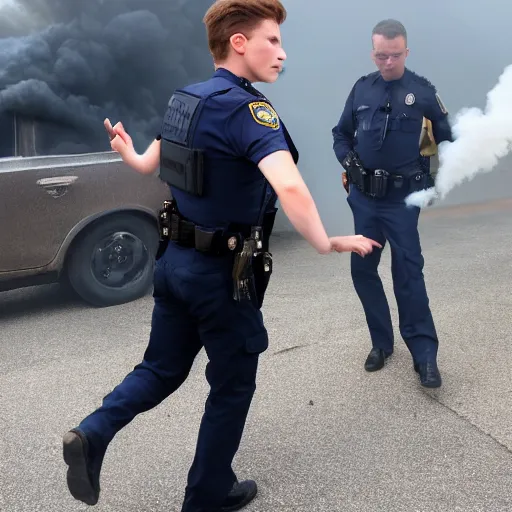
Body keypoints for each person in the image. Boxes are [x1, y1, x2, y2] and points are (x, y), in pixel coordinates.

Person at [62, 1, 381, 511]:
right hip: (219, 279)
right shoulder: (248, 111)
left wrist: (126, 150)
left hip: (173, 267)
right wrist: (327, 242)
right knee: (232, 384)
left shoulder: (187, 98)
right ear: (238, 42)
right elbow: (290, 187)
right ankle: (208, 495)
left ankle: (94, 432)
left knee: (162, 368)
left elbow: (149, 164)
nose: (282, 53)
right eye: (271, 40)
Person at [331, 19, 453, 389]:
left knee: (408, 273)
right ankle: (380, 344)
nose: (387, 62)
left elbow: (448, 139)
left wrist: (435, 175)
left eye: (394, 55)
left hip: (402, 200)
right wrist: (349, 162)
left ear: (406, 52)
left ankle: (425, 355)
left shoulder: (423, 91)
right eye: (381, 55)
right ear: (373, 52)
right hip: (365, 200)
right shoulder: (361, 89)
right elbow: (341, 135)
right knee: (363, 271)